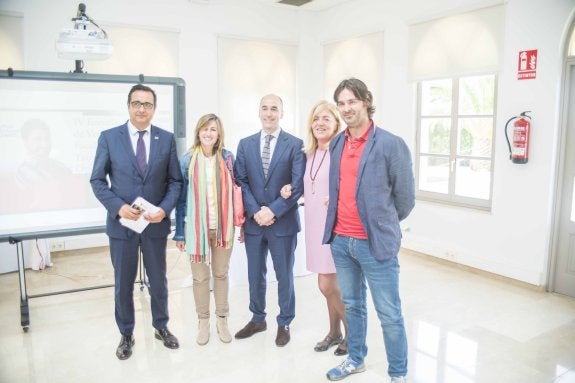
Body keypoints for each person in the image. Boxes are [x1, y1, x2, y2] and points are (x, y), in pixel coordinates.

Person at [323, 78, 415, 382]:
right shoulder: (337, 142)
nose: (347, 108)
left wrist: (381, 223)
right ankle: (356, 360)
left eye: (352, 101)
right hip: (341, 242)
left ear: (366, 101)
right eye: (341, 103)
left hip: (375, 244)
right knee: (353, 305)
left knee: (389, 314)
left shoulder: (391, 144)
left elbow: (405, 199)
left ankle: (398, 374)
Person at [90, 84, 183, 360]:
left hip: (154, 225)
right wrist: (118, 207)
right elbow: (97, 180)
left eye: (147, 104)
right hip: (122, 227)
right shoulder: (109, 138)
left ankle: (161, 326)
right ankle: (126, 333)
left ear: (154, 108)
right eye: (136, 103)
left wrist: (165, 210)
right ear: (128, 106)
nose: (142, 108)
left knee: (159, 280)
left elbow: (175, 181)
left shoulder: (165, 139)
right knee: (123, 283)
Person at [233, 94, 305, 347]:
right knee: (255, 273)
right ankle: (257, 318)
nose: (269, 113)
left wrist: (272, 211)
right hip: (254, 223)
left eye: (274, 109)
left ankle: (284, 321)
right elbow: (240, 181)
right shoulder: (245, 144)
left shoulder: (295, 145)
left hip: (283, 224)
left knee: (284, 274)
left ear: (282, 113)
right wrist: (256, 212)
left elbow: (297, 186)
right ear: (259, 112)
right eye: (265, 108)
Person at [280, 101, 348, 355]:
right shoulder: (308, 153)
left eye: (326, 119)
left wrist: (338, 198)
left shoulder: (340, 152)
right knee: (329, 284)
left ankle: (353, 334)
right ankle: (334, 332)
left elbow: (350, 185)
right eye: (316, 118)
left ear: (336, 124)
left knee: (327, 285)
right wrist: (289, 188)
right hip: (313, 223)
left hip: (334, 225)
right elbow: (303, 183)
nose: (320, 123)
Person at [173, 113, 236, 346]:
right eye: (204, 129)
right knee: (200, 278)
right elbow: (180, 200)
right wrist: (179, 232)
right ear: (198, 132)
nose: (208, 133)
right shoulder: (187, 159)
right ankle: (203, 322)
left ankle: (222, 319)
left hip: (222, 228)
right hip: (195, 229)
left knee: (220, 274)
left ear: (219, 133)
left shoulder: (228, 158)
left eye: (213, 129)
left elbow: (236, 191)